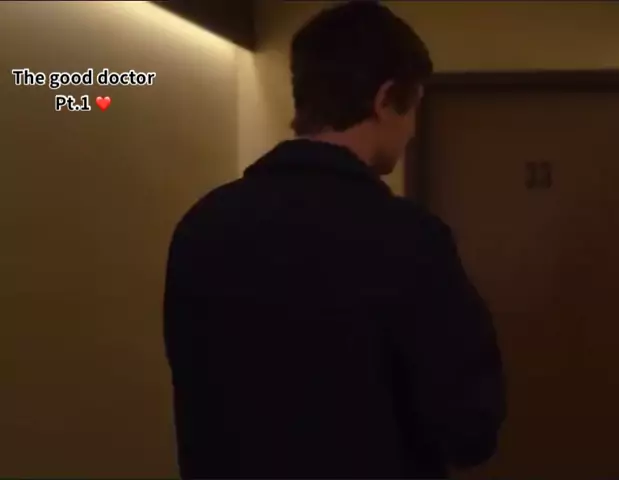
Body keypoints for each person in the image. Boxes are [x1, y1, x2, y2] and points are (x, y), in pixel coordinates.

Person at [162, 2, 506, 478]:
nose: (411, 132)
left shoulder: (202, 226)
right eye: (413, 109)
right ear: (385, 99)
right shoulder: (408, 240)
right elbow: (469, 429)